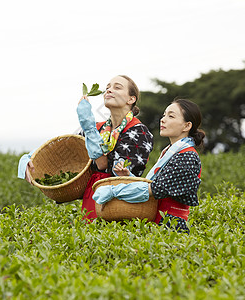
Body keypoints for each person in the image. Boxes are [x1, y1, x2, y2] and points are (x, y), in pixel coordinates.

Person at [18, 75, 154, 221]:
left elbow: (105, 166)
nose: (109, 90)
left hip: (119, 203)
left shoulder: (138, 131)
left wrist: (88, 127)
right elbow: (65, 149)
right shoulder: (98, 128)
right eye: (107, 87)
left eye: (117, 87)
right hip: (93, 195)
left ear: (131, 99)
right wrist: (31, 158)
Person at [93, 98, 205, 233]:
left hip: (172, 228)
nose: (163, 119)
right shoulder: (171, 152)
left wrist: (115, 191)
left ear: (187, 126)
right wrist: (129, 177)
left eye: (171, 116)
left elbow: (156, 189)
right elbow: (157, 185)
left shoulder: (187, 156)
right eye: (164, 115)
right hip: (159, 224)